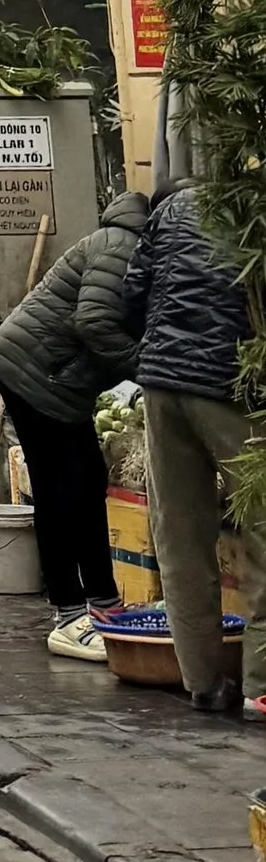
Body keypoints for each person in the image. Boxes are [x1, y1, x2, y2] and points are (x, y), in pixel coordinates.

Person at [119, 182, 265, 719]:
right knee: (263, 533)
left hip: (162, 386)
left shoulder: (176, 206)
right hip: (233, 386)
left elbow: (131, 293)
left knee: (179, 535)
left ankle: (203, 683)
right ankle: (260, 687)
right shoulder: (253, 208)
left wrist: (160, 349)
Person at [0, 187, 147, 659]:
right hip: (35, 373)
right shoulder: (121, 246)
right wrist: (147, 365)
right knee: (60, 492)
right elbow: (94, 323)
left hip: (59, 380)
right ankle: (68, 614)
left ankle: (102, 601)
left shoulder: (129, 244)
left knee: (86, 479)